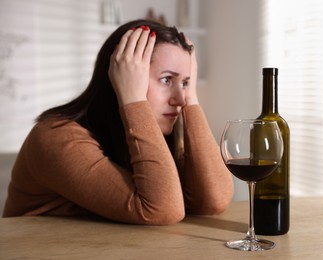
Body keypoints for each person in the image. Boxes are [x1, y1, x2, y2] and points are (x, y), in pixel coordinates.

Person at [2, 19, 234, 225]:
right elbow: (163, 210)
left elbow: (215, 199)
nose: (180, 99)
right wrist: (132, 98)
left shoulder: (155, 135)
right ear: (121, 78)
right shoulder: (55, 137)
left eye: (184, 83)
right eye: (166, 79)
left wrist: (192, 97)